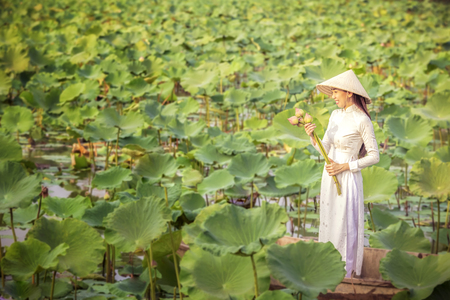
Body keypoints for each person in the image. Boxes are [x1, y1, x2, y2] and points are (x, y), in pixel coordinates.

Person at [304, 70, 380, 278]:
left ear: (348, 92)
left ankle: (345, 275)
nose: (332, 96)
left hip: (347, 178)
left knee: (344, 225)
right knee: (329, 220)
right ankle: (326, 270)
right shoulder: (335, 115)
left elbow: (374, 156)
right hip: (329, 176)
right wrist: (313, 137)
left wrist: (345, 167)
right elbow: (326, 149)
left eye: (335, 92)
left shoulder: (362, 120)